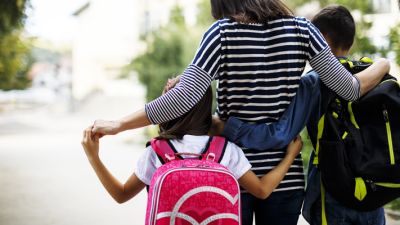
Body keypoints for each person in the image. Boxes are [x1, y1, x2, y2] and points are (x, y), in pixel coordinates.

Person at [91, 1, 390, 224]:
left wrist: (118, 124)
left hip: (231, 173)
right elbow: (349, 89)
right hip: (285, 179)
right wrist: (383, 65)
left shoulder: (221, 32)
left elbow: (183, 97)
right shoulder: (303, 29)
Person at [208, 5, 388, 225]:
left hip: (332, 191)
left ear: (320, 40)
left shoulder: (314, 84)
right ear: (349, 46)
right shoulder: (374, 76)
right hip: (373, 193)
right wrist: (383, 64)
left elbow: (280, 133)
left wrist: (225, 127)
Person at [81, 76, 303, 209]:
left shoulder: (156, 152)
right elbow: (262, 191)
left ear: (166, 109)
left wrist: (93, 157)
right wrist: (290, 156)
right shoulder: (226, 151)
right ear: (207, 109)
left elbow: (121, 195)